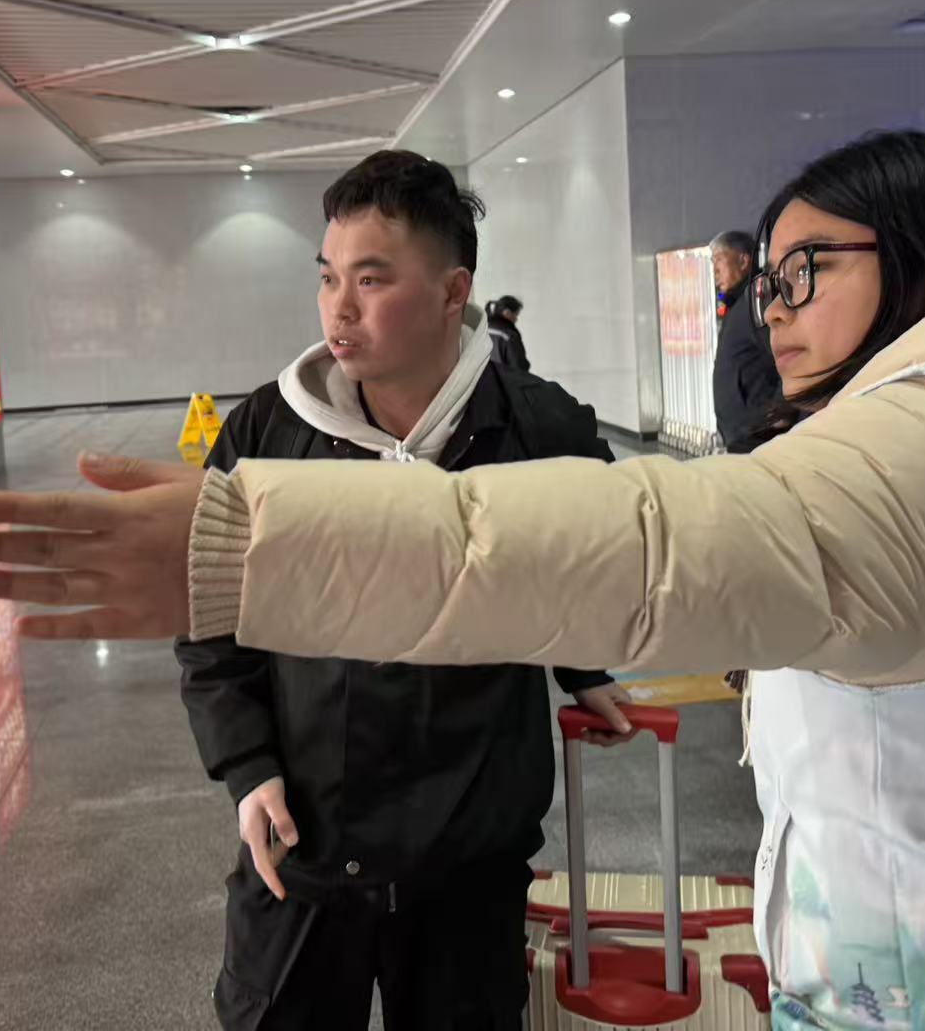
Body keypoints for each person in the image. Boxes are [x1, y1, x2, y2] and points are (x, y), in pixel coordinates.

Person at [0, 131, 925, 1029]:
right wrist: (248, 763)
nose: (771, 307)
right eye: (766, 277)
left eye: (805, 270)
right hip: (316, 840)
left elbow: (629, 546)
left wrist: (248, 547)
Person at [176, 150, 630, 1029]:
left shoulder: (536, 427)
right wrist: (247, 766)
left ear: (454, 291)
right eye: (328, 277)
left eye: (371, 279)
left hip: (467, 854)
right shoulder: (268, 430)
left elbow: (594, 560)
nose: (338, 308)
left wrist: (583, 668)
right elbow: (208, 616)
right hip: (305, 844)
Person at [710, 229, 781, 453]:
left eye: (719, 259)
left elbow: (783, 353)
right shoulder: (738, 304)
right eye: (713, 262)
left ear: (743, 261)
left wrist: (779, 409)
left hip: (758, 437)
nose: (715, 270)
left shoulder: (757, 300)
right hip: (742, 435)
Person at [484, 295, 530, 372]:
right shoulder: (508, 336)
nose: (516, 319)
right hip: (507, 378)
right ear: (507, 313)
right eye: (515, 314)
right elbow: (519, 367)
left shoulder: (484, 330)